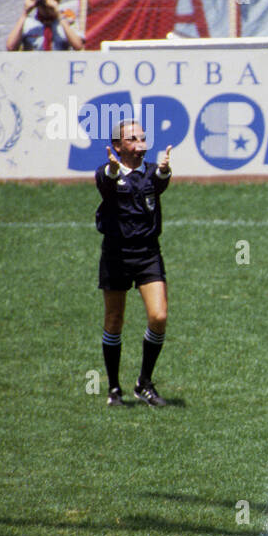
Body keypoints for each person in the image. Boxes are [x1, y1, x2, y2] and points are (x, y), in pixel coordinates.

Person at [96, 119, 173, 408]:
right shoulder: (108, 175)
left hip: (148, 255)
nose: (140, 145)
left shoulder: (152, 173)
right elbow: (105, 180)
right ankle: (114, 388)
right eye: (132, 140)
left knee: (159, 316)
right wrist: (112, 171)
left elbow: (161, 181)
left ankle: (143, 382)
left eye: (142, 139)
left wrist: (165, 171)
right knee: (114, 320)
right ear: (117, 146)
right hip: (115, 255)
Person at [6, 0, 84, 50]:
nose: (47, 6)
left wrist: (58, 12)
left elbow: (78, 46)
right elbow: (10, 47)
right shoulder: (27, 23)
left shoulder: (66, 22)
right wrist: (25, 12)